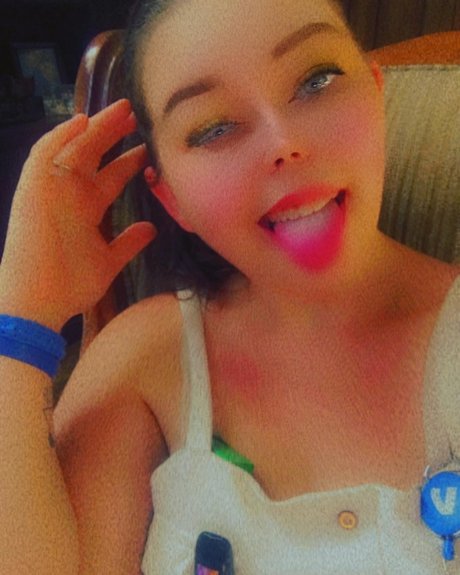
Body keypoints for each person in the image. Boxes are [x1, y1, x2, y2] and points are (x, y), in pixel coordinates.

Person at [0, 0, 458, 573]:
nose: (283, 144)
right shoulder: (144, 359)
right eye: (213, 128)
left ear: (375, 95)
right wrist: (21, 319)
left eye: (317, 80)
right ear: (172, 199)